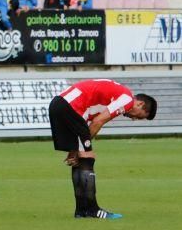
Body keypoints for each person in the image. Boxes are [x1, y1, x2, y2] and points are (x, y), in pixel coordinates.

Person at [48, 79, 156, 219]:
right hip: (71, 107)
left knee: (82, 158)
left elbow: (87, 123)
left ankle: (81, 211)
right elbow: (98, 121)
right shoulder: (127, 99)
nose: (133, 118)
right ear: (140, 103)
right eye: (138, 116)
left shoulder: (115, 95)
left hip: (58, 104)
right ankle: (93, 210)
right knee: (88, 158)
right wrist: (83, 146)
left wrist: (76, 148)